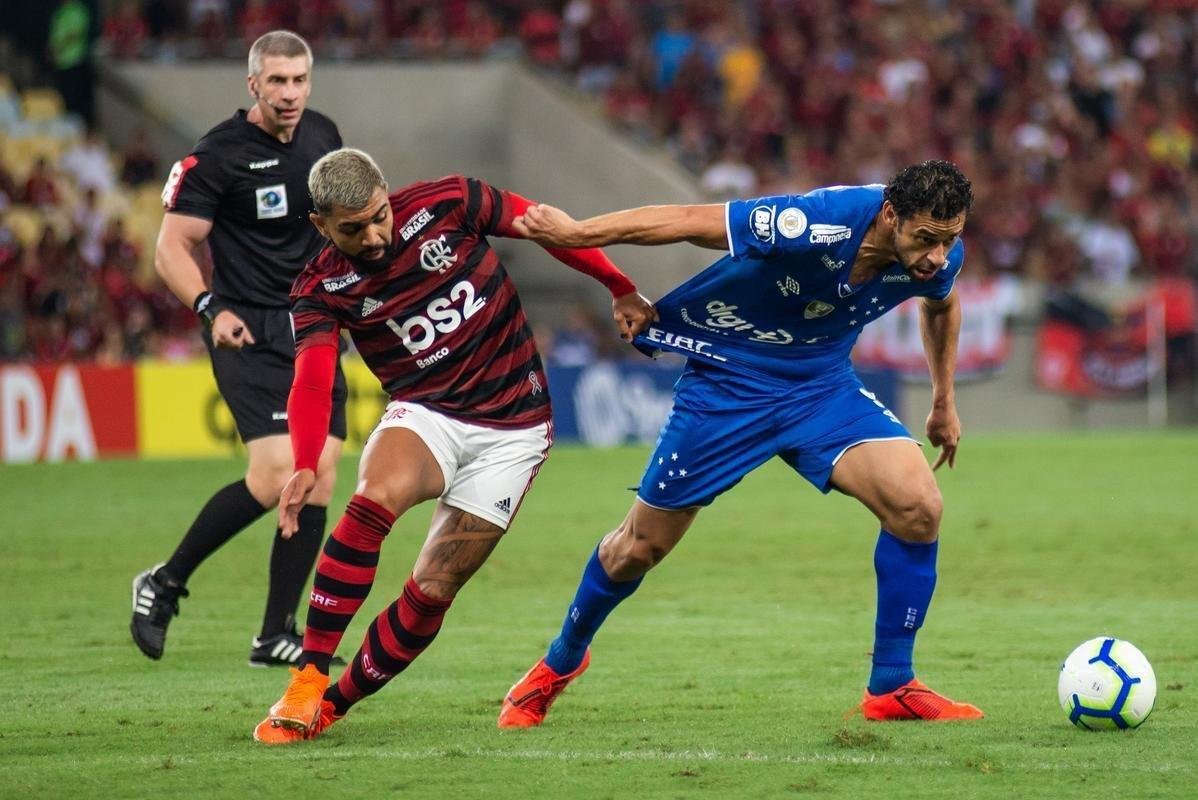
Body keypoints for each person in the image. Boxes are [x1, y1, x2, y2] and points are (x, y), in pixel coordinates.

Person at [498, 159, 985, 726]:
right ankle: (559, 663)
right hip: (730, 383)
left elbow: (943, 303)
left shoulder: (938, 256)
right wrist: (579, 234)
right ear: (891, 214)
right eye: (927, 239)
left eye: (949, 240)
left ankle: (892, 684)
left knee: (919, 508)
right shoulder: (813, 223)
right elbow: (684, 219)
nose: (937, 256)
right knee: (636, 548)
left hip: (819, 388)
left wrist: (944, 400)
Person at [252, 148, 655, 744]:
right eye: (351, 228)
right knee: (374, 498)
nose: (373, 235)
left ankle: (334, 704)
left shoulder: (449, 202)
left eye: (377, 216)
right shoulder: (320, 287)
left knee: (433, 590)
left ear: (387, 193)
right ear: (320, 225)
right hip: (429, 412)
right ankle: (308, 677)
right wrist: (305, 463)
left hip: (515, 430)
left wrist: (617, 284)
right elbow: (312, 377)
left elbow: (545, 226)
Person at [131, 31, 348, 667]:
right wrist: (208, 307)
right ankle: (164, 582)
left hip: (314, 326)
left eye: (298, 80)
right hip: (245, 326)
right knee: (278, 472)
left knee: (320, 476)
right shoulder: (217, 156)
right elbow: (170, 247)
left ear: (310, 82)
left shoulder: (324, 137)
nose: (289, 93)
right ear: (253, 85)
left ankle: (276, 633)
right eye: (276, 81)